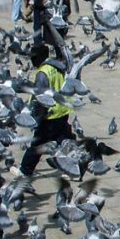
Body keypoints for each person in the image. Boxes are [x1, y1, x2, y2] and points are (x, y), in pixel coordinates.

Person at [13, 43, 74, 178]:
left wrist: (37, 118)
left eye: (33, 57)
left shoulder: (42, 73)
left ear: (39, 57)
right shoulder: (56, 67)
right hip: (62, 110)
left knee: (38, 143)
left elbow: (41, 98)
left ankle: (25, 170)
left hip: (49, 114)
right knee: (65, 141)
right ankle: (72, 169)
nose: (31, 60)